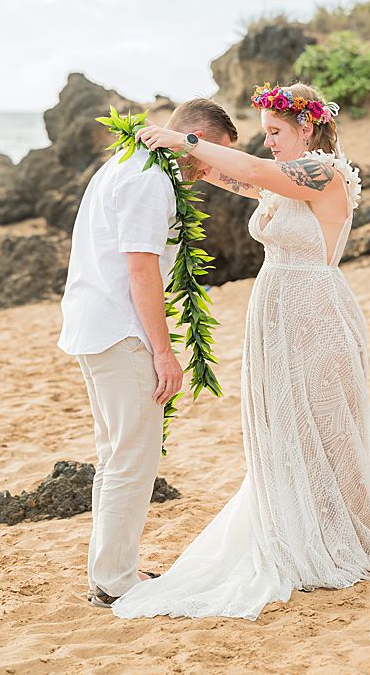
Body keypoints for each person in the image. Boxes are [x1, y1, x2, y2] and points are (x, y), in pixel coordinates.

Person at [110, 82, 370, 621]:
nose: (270, 143)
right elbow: (234, 176)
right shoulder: (286, 184)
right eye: (266, 134)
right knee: (285, 424)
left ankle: (344, 541)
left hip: (314, 311)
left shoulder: (324, 173)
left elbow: (255, 172)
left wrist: (183, 136)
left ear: (306, 128)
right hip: (277, 313)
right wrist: (180, 160)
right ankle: (301, 530)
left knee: (327, 425)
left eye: (277, 133)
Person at [58, 98, 237, 608]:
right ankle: (114, 580)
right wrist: (164, 352)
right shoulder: (150, 180)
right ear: (192, 137)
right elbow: (142, 270)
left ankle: (111, 569)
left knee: (116, 455)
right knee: (131, 459)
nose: (211, 168)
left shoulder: (126, 162)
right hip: (121, 332)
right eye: (212, 154)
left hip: (97, 325)